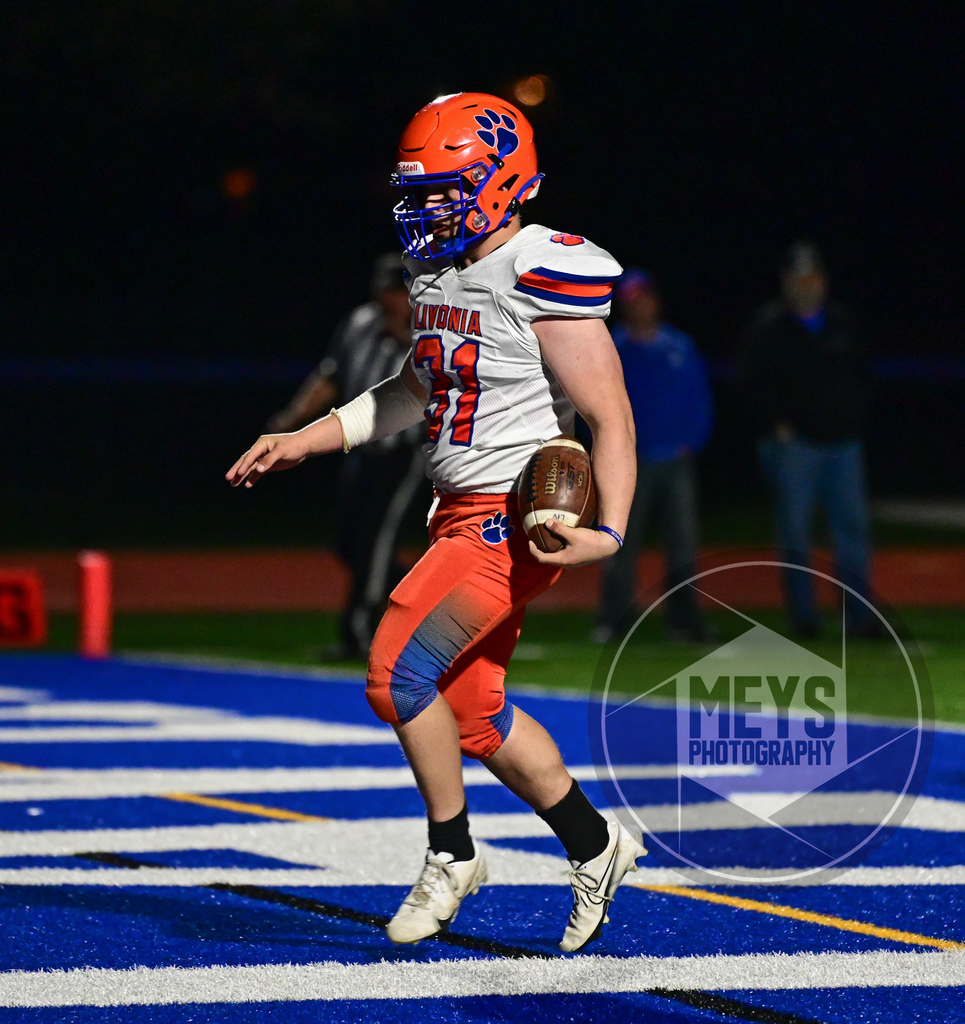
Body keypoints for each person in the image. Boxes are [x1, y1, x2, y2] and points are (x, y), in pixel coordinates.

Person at [227, 92, 645, 953]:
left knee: (395, 676)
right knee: (473, 709)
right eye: (417, 193)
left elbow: (610, 417)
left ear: (498, 182)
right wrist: (308, 438)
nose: (425, 210)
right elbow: (418, 389)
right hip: (453, 512)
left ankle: (451, 853)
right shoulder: (439, 273)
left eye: (444, 191)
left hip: (509, 519)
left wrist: (609, 533)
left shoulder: (542, 267)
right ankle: (595, 844)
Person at [268, 255, 428, 659]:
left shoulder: (430, 330)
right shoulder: (360, 323)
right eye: (384, 291)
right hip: (359, 449)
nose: (389, 301)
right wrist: (292, 420)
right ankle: (421, 593)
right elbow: (331, 376)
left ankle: (358, 633)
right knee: (347, 542)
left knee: (375, 540)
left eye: (397, 292)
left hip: (404, 451)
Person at [737, 242, 874, 637]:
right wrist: (775, 425)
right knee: (795, 533)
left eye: (813, 277)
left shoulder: (842, 323)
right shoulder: (769, 326)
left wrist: (854, 421)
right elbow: (751, 382)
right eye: (799, 278)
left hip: (843, 445)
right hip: (795, 447)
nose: (807, 286)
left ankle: (860, 620)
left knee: (852, 532)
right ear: (786, 282)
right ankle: (804, 618)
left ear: (824, 281)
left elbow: (863, 377)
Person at [595, 270, 714, 642]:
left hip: (675, 461)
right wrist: (613, 445)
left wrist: (689, 441)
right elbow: (591, 401)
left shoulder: (680, 346)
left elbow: (701, 401)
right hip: (628, 463)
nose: (641, 306)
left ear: (656, 301)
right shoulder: (611, 349)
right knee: (617, 540)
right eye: (632, 300)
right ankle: (614, 621)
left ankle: (684, 620)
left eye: (645, 298)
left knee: (683, 543)